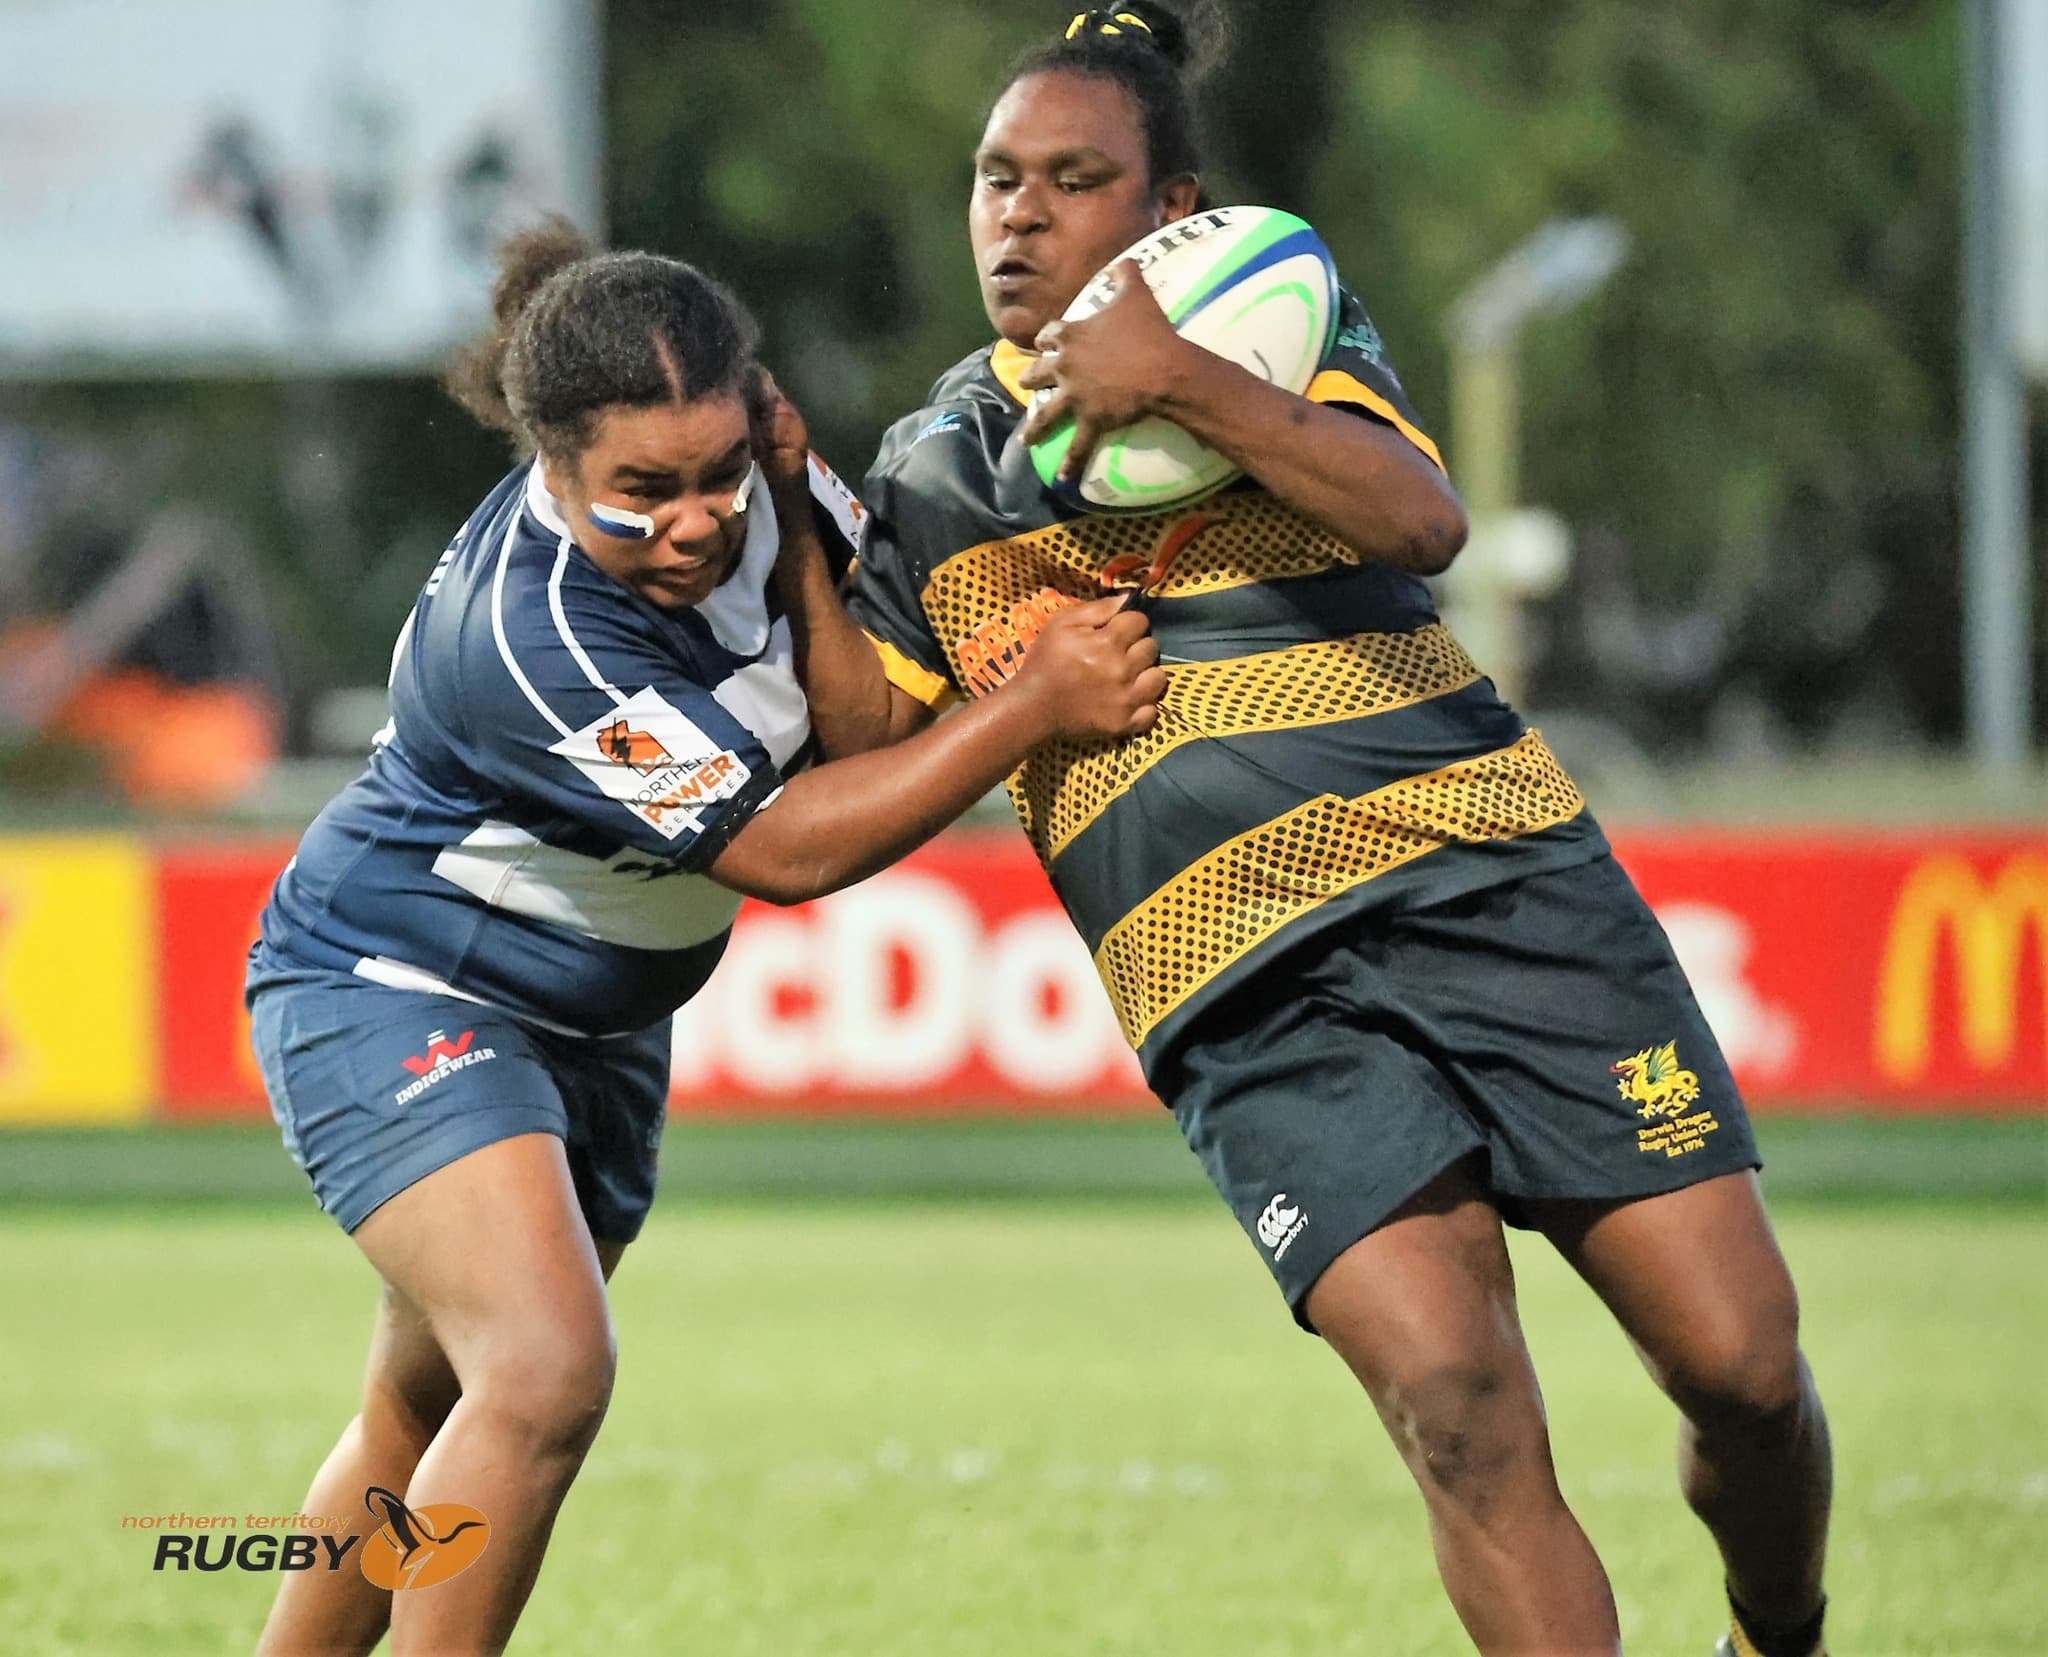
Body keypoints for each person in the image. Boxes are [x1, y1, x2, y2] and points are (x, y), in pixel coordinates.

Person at [839, 7, 1834, 1655]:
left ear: (1172, 215)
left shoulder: (1274, 323)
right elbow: (864, 740)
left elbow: (1422, 519)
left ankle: (1778, 1633)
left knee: (1739, 1360)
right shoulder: (929, 473)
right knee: (1456, 1400)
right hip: (1238, 993)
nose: (1017, 215)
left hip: (1492, 881)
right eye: (996, 179)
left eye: (1073, 180)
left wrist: (1187, 385)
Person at [244, 221, 1164, 1656]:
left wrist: (791, 508)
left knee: (424, 1409)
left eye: (716, 472)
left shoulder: (756, 496)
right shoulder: (532, 634)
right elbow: (793, 852)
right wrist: (1038, 703)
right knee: (543, 1373)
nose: (690, 522)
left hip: (597, 1022)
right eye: (642, 493)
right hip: (398, 980)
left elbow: (866, 728)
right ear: (551, 465)